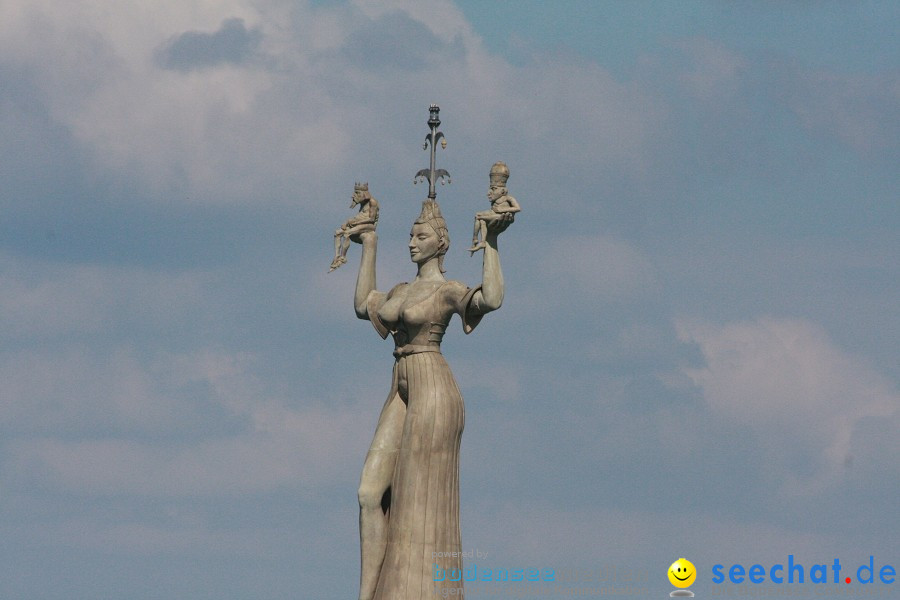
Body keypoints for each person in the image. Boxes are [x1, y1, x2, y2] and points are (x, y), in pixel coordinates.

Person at [352, 197, 511, 600]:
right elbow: (361, 305)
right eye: (408, 235)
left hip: (432, 384)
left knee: (417, 495)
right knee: (370, 494)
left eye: (420, 236)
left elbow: (490, 300)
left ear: (440, 244)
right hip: (400, 384)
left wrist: (491, 242)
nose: (410, 243)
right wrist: (369, 243)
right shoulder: (401, 289)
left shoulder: (447, 290)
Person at [468, 161, 520, 255]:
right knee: (480, 218)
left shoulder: (508, 198)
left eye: (494, 189)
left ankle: (479, 240)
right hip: (494, 215)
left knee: (480, 217)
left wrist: (502, 210)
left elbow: (517, 208)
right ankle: (478, 240)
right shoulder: (495, 201)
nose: (489, 192)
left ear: (503, 191)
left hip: (501, 216)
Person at [330, 182, 379, 272]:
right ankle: (336, 256)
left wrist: (355, 223)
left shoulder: (372, 202)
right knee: (337, 233)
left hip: (369, 225)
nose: (354, 195)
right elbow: (360, 215)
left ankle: (343, 257)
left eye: (357, 193)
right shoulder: (362, 203)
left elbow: (371, 219)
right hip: (359, 223)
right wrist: (348, 222)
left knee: (347, 233)